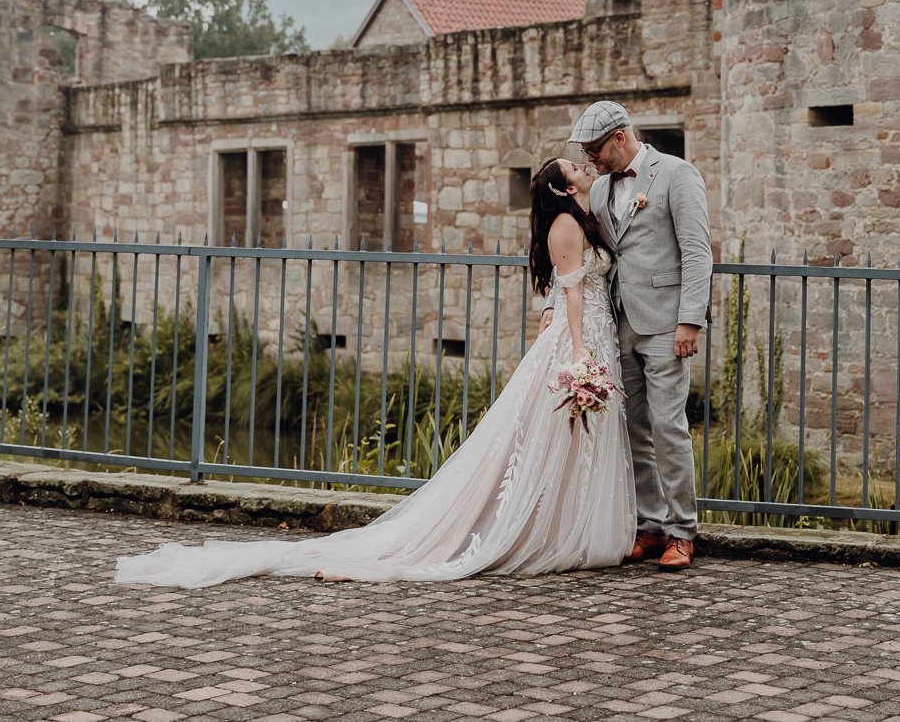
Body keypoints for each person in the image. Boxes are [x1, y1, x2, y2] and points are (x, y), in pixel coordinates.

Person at [113, 157, 633, 587]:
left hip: (596, 332)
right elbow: (568, 294)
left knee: (569, 441)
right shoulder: (566, 226)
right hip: (577, 338)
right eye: (575, 167)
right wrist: (579, 355)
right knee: (549, 435)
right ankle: (528, 531)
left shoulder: (586, 214)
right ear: (564, 189)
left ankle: (568, 526)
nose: (586, 166)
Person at [545, 101, 712, 571]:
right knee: (633, 429)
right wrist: (551, 305)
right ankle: (650, 526)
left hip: (665, 325)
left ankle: (682, 532)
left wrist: (689, 321)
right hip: (618, 326)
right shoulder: (599, 191)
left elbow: (698, 253)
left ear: (620, 136)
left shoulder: (677, 175)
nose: (591, 159)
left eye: (595, 149)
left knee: (669, 427)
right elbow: (578, 257)